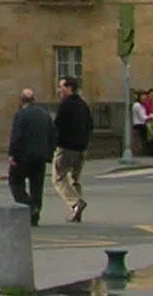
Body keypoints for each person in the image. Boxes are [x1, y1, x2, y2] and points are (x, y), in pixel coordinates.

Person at [7, 86, 57, 227]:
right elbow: (53, 134)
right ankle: (35, 211)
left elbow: (16, 137)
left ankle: (28, 206)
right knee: (37, 185)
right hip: (39, 156)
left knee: (15, 182)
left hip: (23, 156)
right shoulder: (44, 114)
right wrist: (49, 152)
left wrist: (12, 155)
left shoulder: (21, 115)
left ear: (21, 101)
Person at [51, 75, 93, 222]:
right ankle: (76, 211)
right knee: (74, 179)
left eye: (61, 87)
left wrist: (54, 143)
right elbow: (90, 126)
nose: (59, 90)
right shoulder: (83, 105)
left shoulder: (66, 105)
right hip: (81, 148)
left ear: (69, 88)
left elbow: (58, 127)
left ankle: (75, 203)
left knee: (59, 177)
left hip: (66, 147)